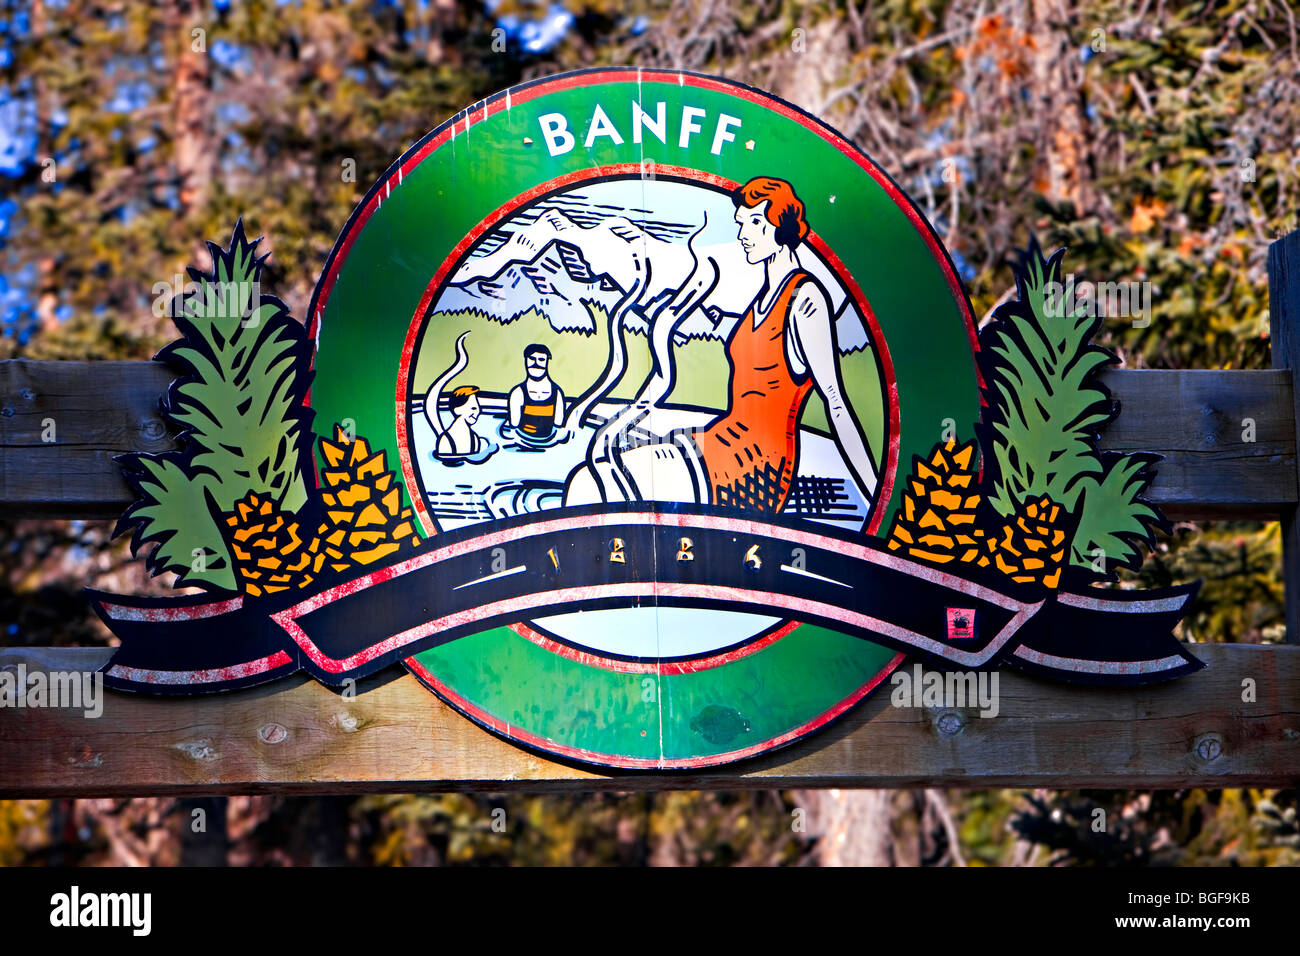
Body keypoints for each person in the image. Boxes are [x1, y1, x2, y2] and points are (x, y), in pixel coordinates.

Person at [564, 176, 878, 512]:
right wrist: (624, 421)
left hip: (756, 468)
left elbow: (835, 401)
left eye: (756, 223)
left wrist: (876, 494)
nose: (744, 235)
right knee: (597, 468)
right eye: (741, 224)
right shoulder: (761, 297)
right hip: (720, 441)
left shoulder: (805, 299)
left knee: (589, 486)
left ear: (781, 226)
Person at [508, 344, 565, 441]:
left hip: (548, 444)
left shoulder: (557, 393)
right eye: (532, 359)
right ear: (526, 361)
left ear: (547, 362)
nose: (536, 363)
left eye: (541, 360)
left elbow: (558, 424)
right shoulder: (517, 393)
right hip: (522, 443)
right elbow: (514, 424)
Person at [434, 385, 483, 458]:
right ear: (457, 410)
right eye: (473, 408)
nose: (478, 412)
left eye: (478, 408)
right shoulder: (446, 441)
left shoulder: (475, 439)